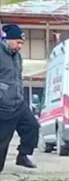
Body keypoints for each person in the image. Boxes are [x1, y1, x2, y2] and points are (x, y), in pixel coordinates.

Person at [0, 24, 39, 172]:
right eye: (18, 42)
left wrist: (21, 95)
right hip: (3, 106)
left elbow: (17, 79)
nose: (20, 46)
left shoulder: (18, 57)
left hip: (18, 103)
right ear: (8, 40)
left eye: (22, 43)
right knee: (2, 143)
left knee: (32, 127)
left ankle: (23, 155)